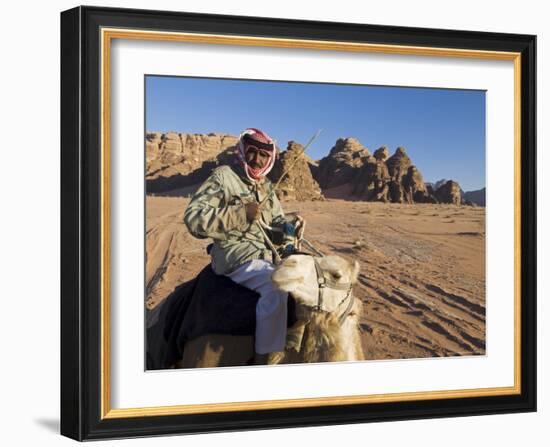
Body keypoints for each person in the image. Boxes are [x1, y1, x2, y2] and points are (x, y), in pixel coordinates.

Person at [183, 128, 302, 363]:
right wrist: (239, 214)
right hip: (235, 255)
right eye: (252, 152)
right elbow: (194, 219)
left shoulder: (267, 186)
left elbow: (275, 224)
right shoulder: (224, 177)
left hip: (266, 256)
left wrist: (290, 225)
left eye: (263, 156)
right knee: (277, 287)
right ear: (242, 151)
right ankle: (264, 361)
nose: (256, 160)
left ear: (270, 159)